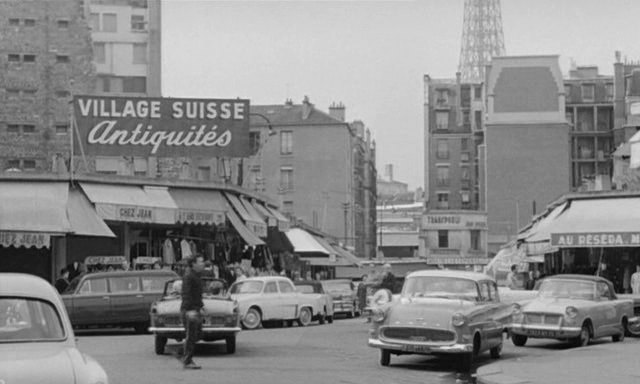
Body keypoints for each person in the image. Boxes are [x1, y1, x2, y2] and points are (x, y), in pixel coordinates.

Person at [181, 256, 204, 370]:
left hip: (196, 308)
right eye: (200, 261)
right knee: (191, 336)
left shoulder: (195, 275)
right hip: (190, 309)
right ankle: (187, 360)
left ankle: (186, 356)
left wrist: (201, 306)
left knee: (197, 334)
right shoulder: (189, 276)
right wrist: (189, 310)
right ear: (193, 264)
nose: (203, 264)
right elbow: (186, 294)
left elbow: (197, 294)